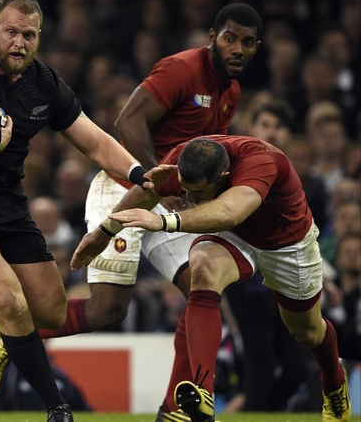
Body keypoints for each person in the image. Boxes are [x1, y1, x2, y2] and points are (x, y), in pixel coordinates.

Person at [0, 2, 264, 421]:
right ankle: (9, 335)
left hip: (171, 202)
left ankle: (175, 407)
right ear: (212, 37)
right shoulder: (181, 69)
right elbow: (128, 120)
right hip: (123, 190)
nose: (237, 49)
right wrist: (154, 180)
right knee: (107, 310)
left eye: (247, 43)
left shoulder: (230, 91)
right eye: (229, 38)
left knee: (202, 290)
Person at [0, 0, 155, 422]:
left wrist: (138, 174)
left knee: (50, 310)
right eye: (11, 32)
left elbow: (94, 141)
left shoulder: (45, 83)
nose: (19, 43)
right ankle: (56, 407)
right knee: (9, 300)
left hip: (6, 206)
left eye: (29, 35)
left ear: (39, 37)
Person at [83, 135, 351, 422]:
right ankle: (203, 393)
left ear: (223, 176)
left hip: (285, 242)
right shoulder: (184, 160)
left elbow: (229, 211)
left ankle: (334, 383)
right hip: (236, 236)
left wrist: (164, 221)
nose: (188, 199)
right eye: (185, 191)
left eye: (196, 192)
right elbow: (148, 191)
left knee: (306, 331)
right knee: (202, 271)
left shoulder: (261, 161)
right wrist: (104, 231)